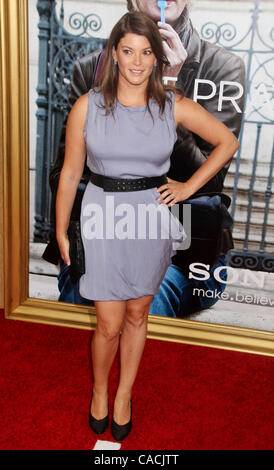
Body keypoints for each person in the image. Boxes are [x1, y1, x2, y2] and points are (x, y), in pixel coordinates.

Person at [55, 11, 239, 441]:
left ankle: (124, 394)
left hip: (149, 220)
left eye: (146, 53)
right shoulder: (88, 107)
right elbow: (69, 173)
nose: (137, 61)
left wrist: (188, 186)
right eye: (128, 51)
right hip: (102, 218)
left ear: (157, 58)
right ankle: (100, 391)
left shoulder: (172, 105)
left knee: (138, 315)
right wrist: (63, 229)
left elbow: (226, 142)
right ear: (114, 55)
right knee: (108, 323)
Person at [42, 0, 245, 317]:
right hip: (103, 237)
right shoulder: (90, 70)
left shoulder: (222, 67)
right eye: (128, 52)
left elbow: (212, 182)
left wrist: (166, 92)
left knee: (150, 293)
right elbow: (65, 176)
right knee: (86, 293)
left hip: (183, 252)